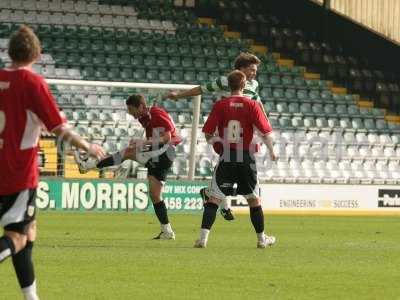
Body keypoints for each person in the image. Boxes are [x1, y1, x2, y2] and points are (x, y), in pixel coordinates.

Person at [0, 25, 105, 300]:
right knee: (18, 237)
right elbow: (60, 129)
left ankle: (31, 297)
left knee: (29, 232)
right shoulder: (32, 83)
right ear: (37, 53)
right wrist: (88, 146)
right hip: (17, 174)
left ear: (9, 52)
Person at [165, 52, 266, 221]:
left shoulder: (254, 84)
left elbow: (258, 102)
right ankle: (219, 200)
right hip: (226, 133)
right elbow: (201, 89)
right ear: (241, 69)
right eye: (252, 69)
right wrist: (178, 96)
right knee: (228, 167)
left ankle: (210, 194)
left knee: (232, 170)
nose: (254, 73)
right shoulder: (227, 81)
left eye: (255, 70)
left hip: (244, 134)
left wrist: (264, 124)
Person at [74, 94, 181, 240]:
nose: (130, 113)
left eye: (131, 109)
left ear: (141, 107)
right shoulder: (145, 117)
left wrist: (142, 143)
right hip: (162, 154)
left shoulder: (156, 113)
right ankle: (167, 231)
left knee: (127, 153)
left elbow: (167, 138)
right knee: (155, 195)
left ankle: (88, 165)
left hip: (164, 152)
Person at [193, 70, 277, 249]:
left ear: (229, 85)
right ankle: (262, 239)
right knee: (254, 200)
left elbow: (208, 133)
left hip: (227, 156)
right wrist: (272, 151)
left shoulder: (220, 105)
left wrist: (217, 143)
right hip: (246, 156)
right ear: (244, 85)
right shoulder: (252, 104)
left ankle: (203, 239)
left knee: (214, 198)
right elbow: (266, 132)